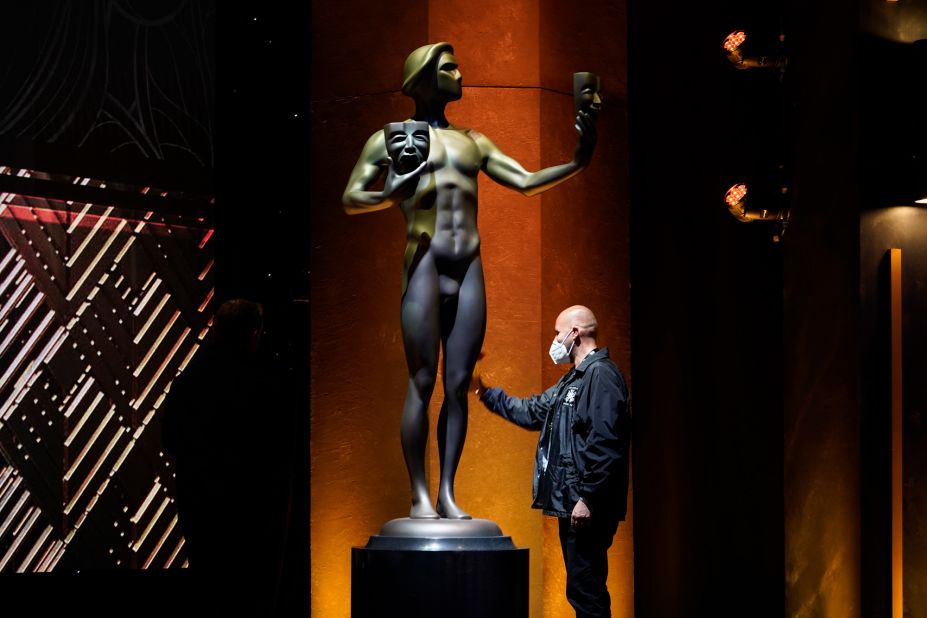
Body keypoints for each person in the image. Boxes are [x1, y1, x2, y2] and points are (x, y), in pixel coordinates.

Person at [342, 41, 601, 520]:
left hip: (468, 269)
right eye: (450, 67)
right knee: (421, 382)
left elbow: (524, 181)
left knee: (458, 384)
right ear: (423, 77)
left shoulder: (473, 141)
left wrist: (577, 161)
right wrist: (393, 190)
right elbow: (352, 198)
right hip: (424, 264)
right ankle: (419, 494)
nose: (461, 74)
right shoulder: (390, 139)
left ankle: (447, 493)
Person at [475, 305, 630, 617]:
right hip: (573, 504)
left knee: (586, 591)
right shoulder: (572, 380)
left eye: (558, 334)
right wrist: (484, 392)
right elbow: (533, 411)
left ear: (574, 333)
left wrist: (587, 497)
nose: (555, 341)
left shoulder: (601, 376)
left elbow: (606, 443)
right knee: (581, 588)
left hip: (586, 506)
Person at [161, 299, 291, 614]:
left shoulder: (189, 381)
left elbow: (170, 440)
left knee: (210, 590)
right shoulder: (267, 383)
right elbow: (277, 447)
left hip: (201, 506)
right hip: (252, 511)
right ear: (252, 334)